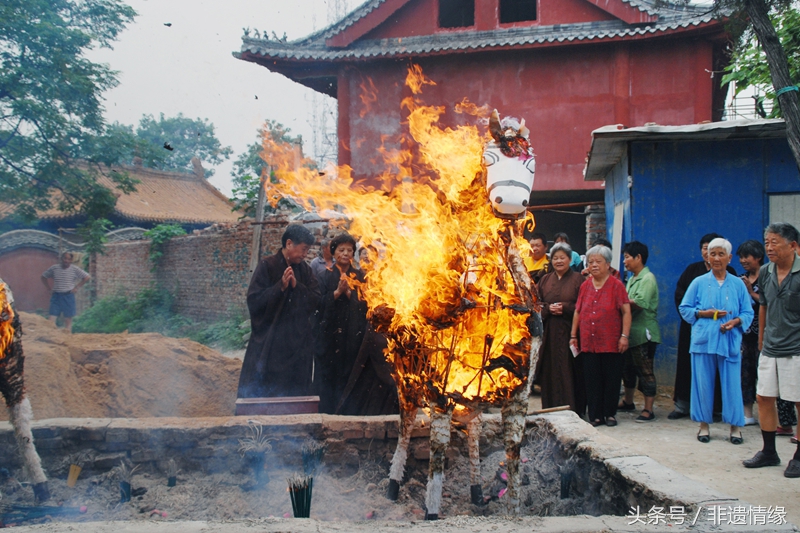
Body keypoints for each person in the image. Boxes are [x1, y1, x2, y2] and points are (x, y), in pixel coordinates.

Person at [679, 238, 752, 445]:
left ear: (729, 258)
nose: (717, 258)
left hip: (730, 341)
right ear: (707, 257)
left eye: (721, 254)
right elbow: (685, 309)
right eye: (713, 254)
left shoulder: (738, 284)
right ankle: (704, 425)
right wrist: (704, 313)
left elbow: (748, 312)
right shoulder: (699, 282)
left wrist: (735, 321)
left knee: (732, 385)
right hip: (704, 340)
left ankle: (735, 427)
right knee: (703, 384)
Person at [237, 224, 320, 399]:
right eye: (303, 249)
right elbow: (254, 301)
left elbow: (315, 298)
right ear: (289, 243)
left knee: (296, 391)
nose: (305, 255)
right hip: (272, 342)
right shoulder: (267, 265)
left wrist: (297, 287)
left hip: (297, 341)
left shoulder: (304, 270)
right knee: (269, 389)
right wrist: (279, 287)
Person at [743, 223, 800, 477]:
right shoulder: (766, 271)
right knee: (765, 397)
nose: (769, 247)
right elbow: (763, 305)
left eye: (775, 242)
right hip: (770, 347)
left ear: (793, 246)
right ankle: (769, 451)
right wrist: (761, 340)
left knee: (799, 400)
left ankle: (798, 455)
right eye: (767, 242)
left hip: (797, 348)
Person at [670, 233, 737, 420]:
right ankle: (683, 405)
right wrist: (698, 315)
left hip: (721, 330)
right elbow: (680, 298)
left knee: (717, 370)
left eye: (717, 251)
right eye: (706, 248)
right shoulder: (692, 271)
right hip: (694, 328)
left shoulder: (731, 275)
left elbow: (737, 304)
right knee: (687, 368)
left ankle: (716, 409)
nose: (710, 254)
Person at [570, 245, 631, 427]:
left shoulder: (616, 285)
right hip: (589, 340)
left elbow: (626, 312)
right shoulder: (585, 286)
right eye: (591, 262)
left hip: (611, 340)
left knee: (611, 378)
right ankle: (595, 415)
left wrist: (624, 336)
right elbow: (578, 312)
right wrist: (574, 335)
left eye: (598, 261)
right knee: (591, 378)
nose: (594, 265)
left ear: (608, 264)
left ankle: (609, 414)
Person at [317, 233, 368, 413]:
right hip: (330, 334)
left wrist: (349, 295)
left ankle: (347, 412)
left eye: (349, 250)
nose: (345, 253)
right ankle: (327, 411)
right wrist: (337, 293)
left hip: (352, 335)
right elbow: (318, 303)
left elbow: (366, 305)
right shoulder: (324, 276)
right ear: (333, 252)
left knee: (350, 371)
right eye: (341, 250)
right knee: (329, 373)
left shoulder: (359, 277)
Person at [536, 242, 585, 414]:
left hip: (570, 332)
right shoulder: (545, 279)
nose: (558, 261)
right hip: (549, 332)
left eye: (562, 258)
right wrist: (547, 309)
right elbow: (535, 304)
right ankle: (549, 409)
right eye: (555, 258)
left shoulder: (579, 279)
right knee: (549, 370)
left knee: (570, 371)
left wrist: (566, 308)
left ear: (570, 259)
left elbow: (583, 305)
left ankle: (573, 409)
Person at [619, 241, 661, 422]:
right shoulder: (633, 278)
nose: (624, 262)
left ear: (638, 258)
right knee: (628, 370)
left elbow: (640, 303)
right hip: (631, 333)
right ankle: (628, 401)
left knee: (645, 371)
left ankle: (648, 409)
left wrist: (619, 303)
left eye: (627, 257)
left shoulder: (647, 278)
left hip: (644, 334)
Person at [737, 239, 765, 426]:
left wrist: (750, 291)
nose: (743, 260)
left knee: (764, 375)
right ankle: (748, 413)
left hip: (764, 333)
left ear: (758, 257)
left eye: (747, 256)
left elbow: (769, 301)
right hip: (745, 334)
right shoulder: (741, 278)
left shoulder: (768, 277)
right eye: (741, 257)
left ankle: (771, 417)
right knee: (745, 372)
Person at [40, 252, 90, 333]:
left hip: (68, 296)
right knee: (51, 319)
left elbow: (87, 277)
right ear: (61, 259)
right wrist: (48, 288)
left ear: (71, 260)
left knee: (68, 320)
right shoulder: (54, 268)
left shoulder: (74, 269)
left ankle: (68, 338)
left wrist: (77, 287)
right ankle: (50, 337)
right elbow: (43, 277)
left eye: (68, 259)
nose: (66, 260)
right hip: (56, 296)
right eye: (65, 258)